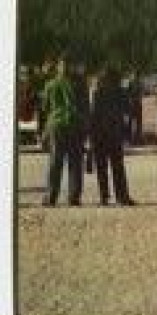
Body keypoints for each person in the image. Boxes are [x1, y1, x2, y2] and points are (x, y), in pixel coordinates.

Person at [41, 57, 85, 206]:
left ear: (58, 68)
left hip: (57, 125)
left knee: (55, 163)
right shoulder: (80, 85)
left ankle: (51, 197)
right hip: (74, 125)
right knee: (75, 163)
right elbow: (85, 107)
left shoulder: (50, 85)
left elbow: (45, 107)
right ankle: (74, 197)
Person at [90, 66, 134, 206]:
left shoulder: (97, 92)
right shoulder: (121, 92)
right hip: (115, 134)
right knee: (118, 167)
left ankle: (104, 197)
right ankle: (122, 196)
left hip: (99, 134)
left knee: (102, 168)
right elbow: (128, 111)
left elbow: (92, 114)